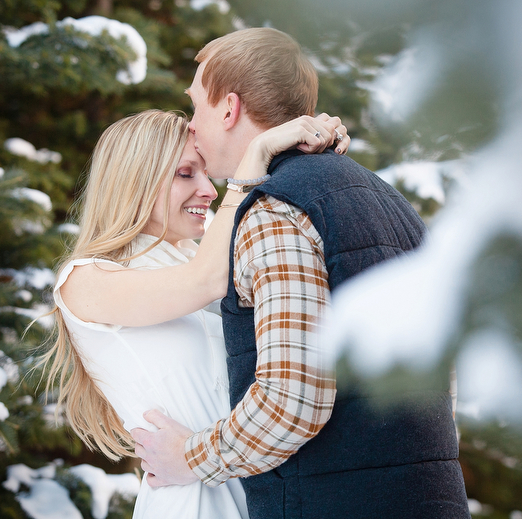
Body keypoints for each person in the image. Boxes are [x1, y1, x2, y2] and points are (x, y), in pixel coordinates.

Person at [131, 28, 471, 519]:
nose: (192, 127)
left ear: (228, 109)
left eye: (196, 108)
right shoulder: (391, 201)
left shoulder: (275, 210)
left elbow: (291, 400)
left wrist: (188, 458)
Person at [42, 109, 349, 518]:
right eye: (186, 174)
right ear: (135, 180)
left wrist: (316, 149)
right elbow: (201, 282)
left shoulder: (209, 258)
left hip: (265, 492)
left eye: (209, 175)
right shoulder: (85, 280)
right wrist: (256, 153)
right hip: (194, 503)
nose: (210, 190)